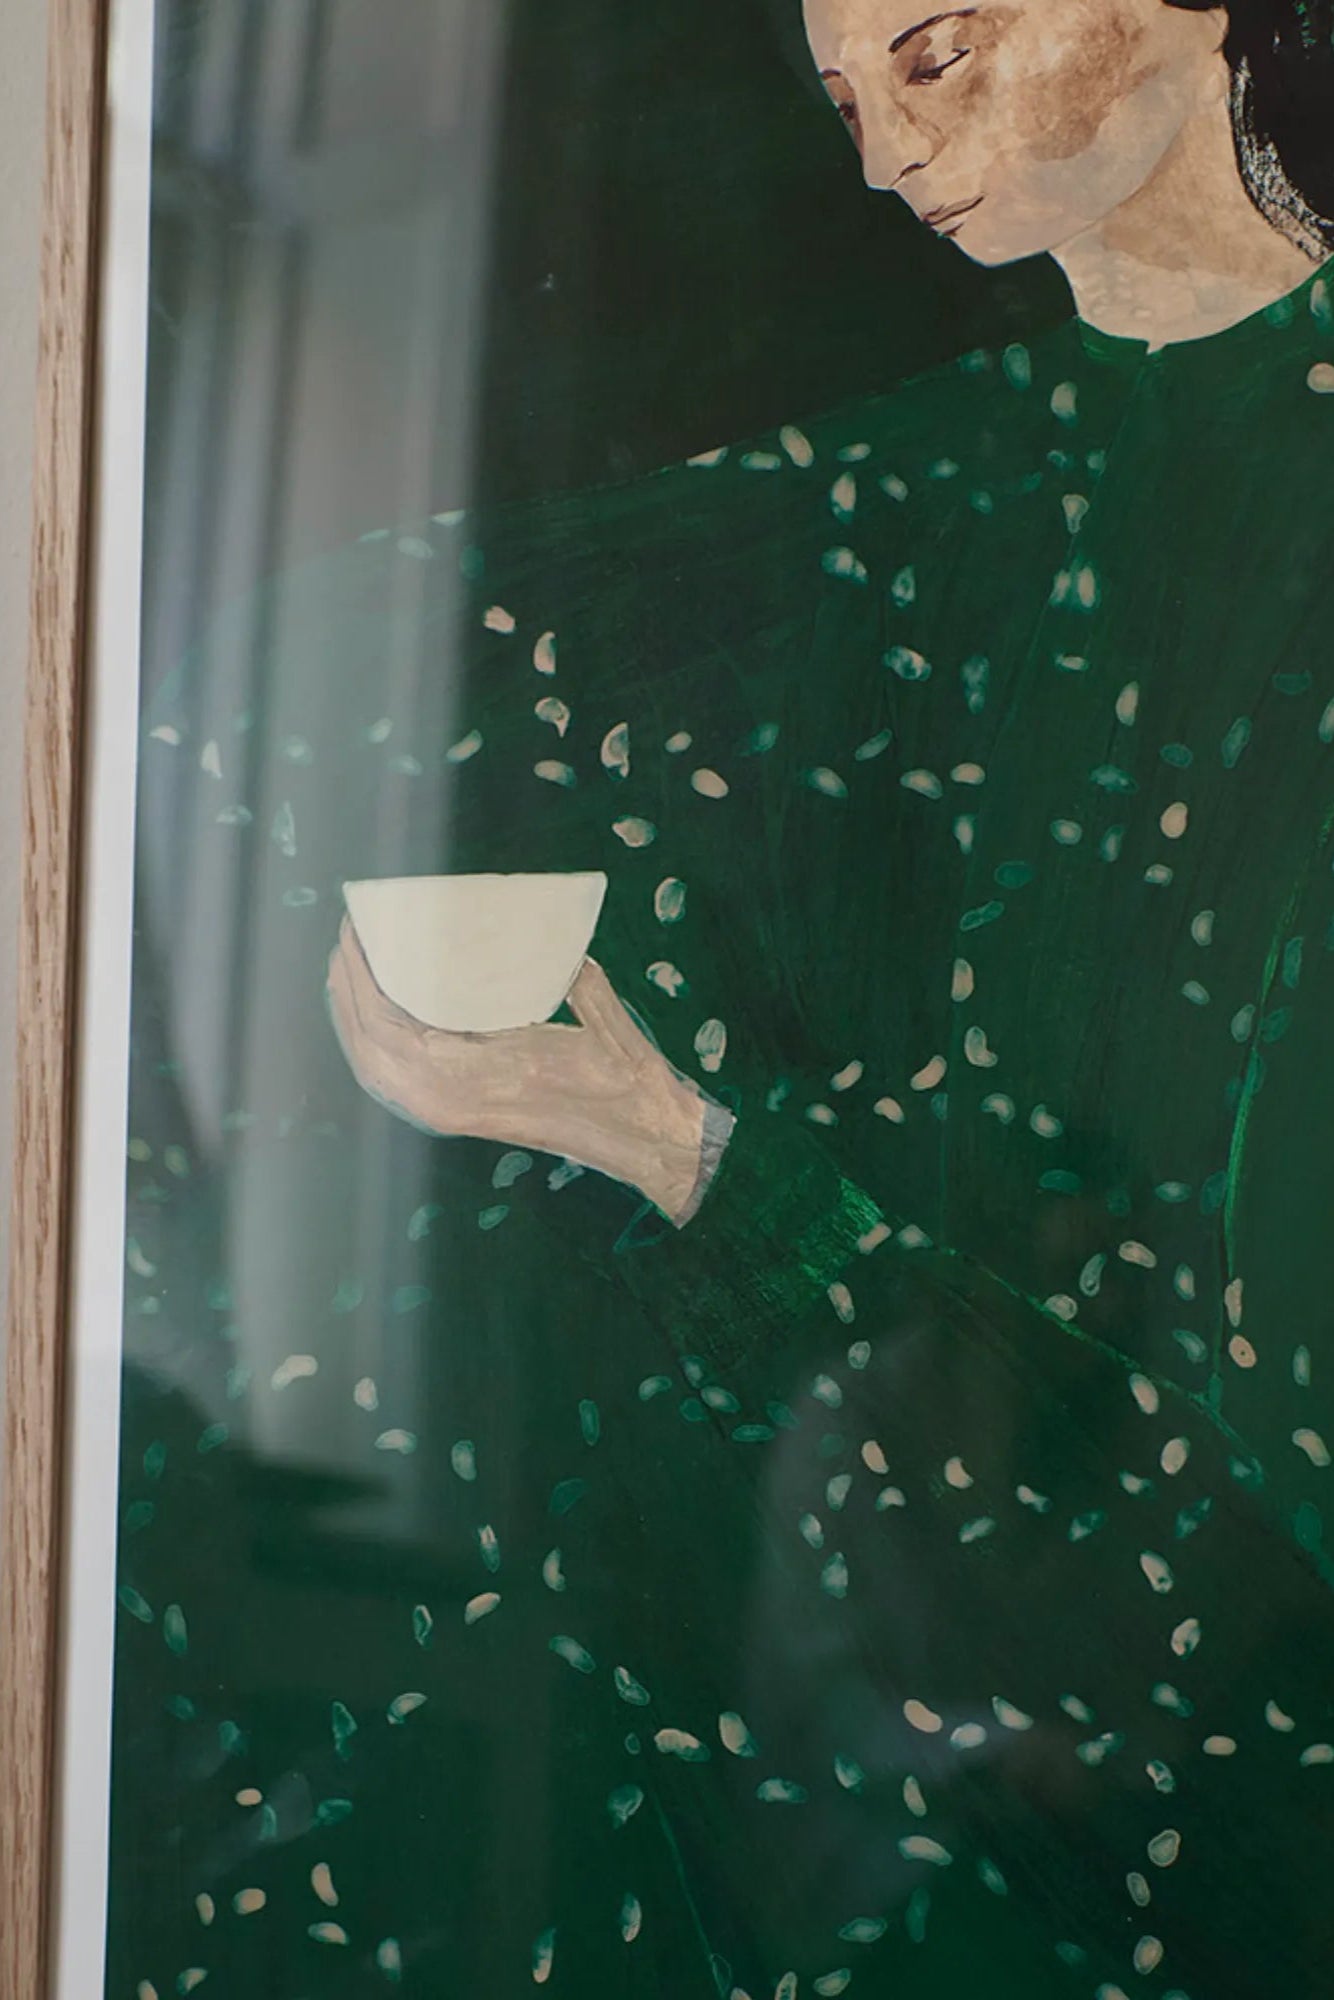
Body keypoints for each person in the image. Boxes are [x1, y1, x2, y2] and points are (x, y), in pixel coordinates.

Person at [118, 3, 1334, 1995]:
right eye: (843, 97)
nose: (882, 159)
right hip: (929, 1663)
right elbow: (354, 633)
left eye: (935, 52)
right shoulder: (932, 498)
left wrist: (678, 1151)